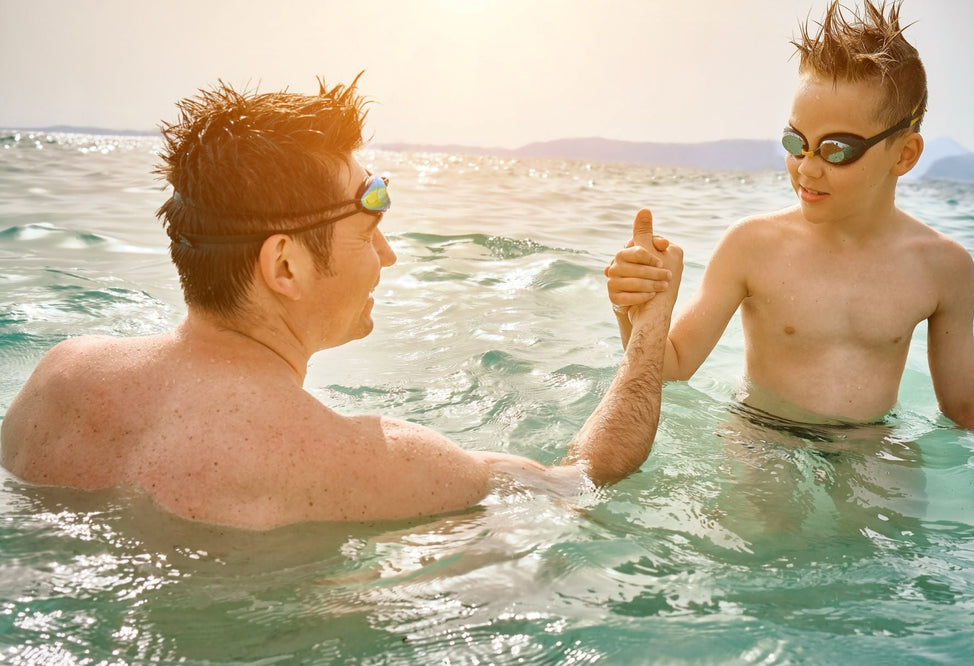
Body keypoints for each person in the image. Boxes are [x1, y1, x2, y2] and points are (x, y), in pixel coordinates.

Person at [0, 77, 683, 530]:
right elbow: (585, 479)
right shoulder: (362, 461)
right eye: (370, 232)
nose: (387, 256)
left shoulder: (61, 378)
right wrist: (649, 331)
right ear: (285, 264)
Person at [605, 0, 974, 524]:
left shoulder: (942, 268)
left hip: (871, 441)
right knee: (762, 552)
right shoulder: (752, 245)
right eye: (796, 142)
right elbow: (673, 365)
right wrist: (635, 308)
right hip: (762, 430)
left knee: (890, 557)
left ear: (903, 155)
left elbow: (964, 408)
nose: (807, 169)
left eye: (836, 150)